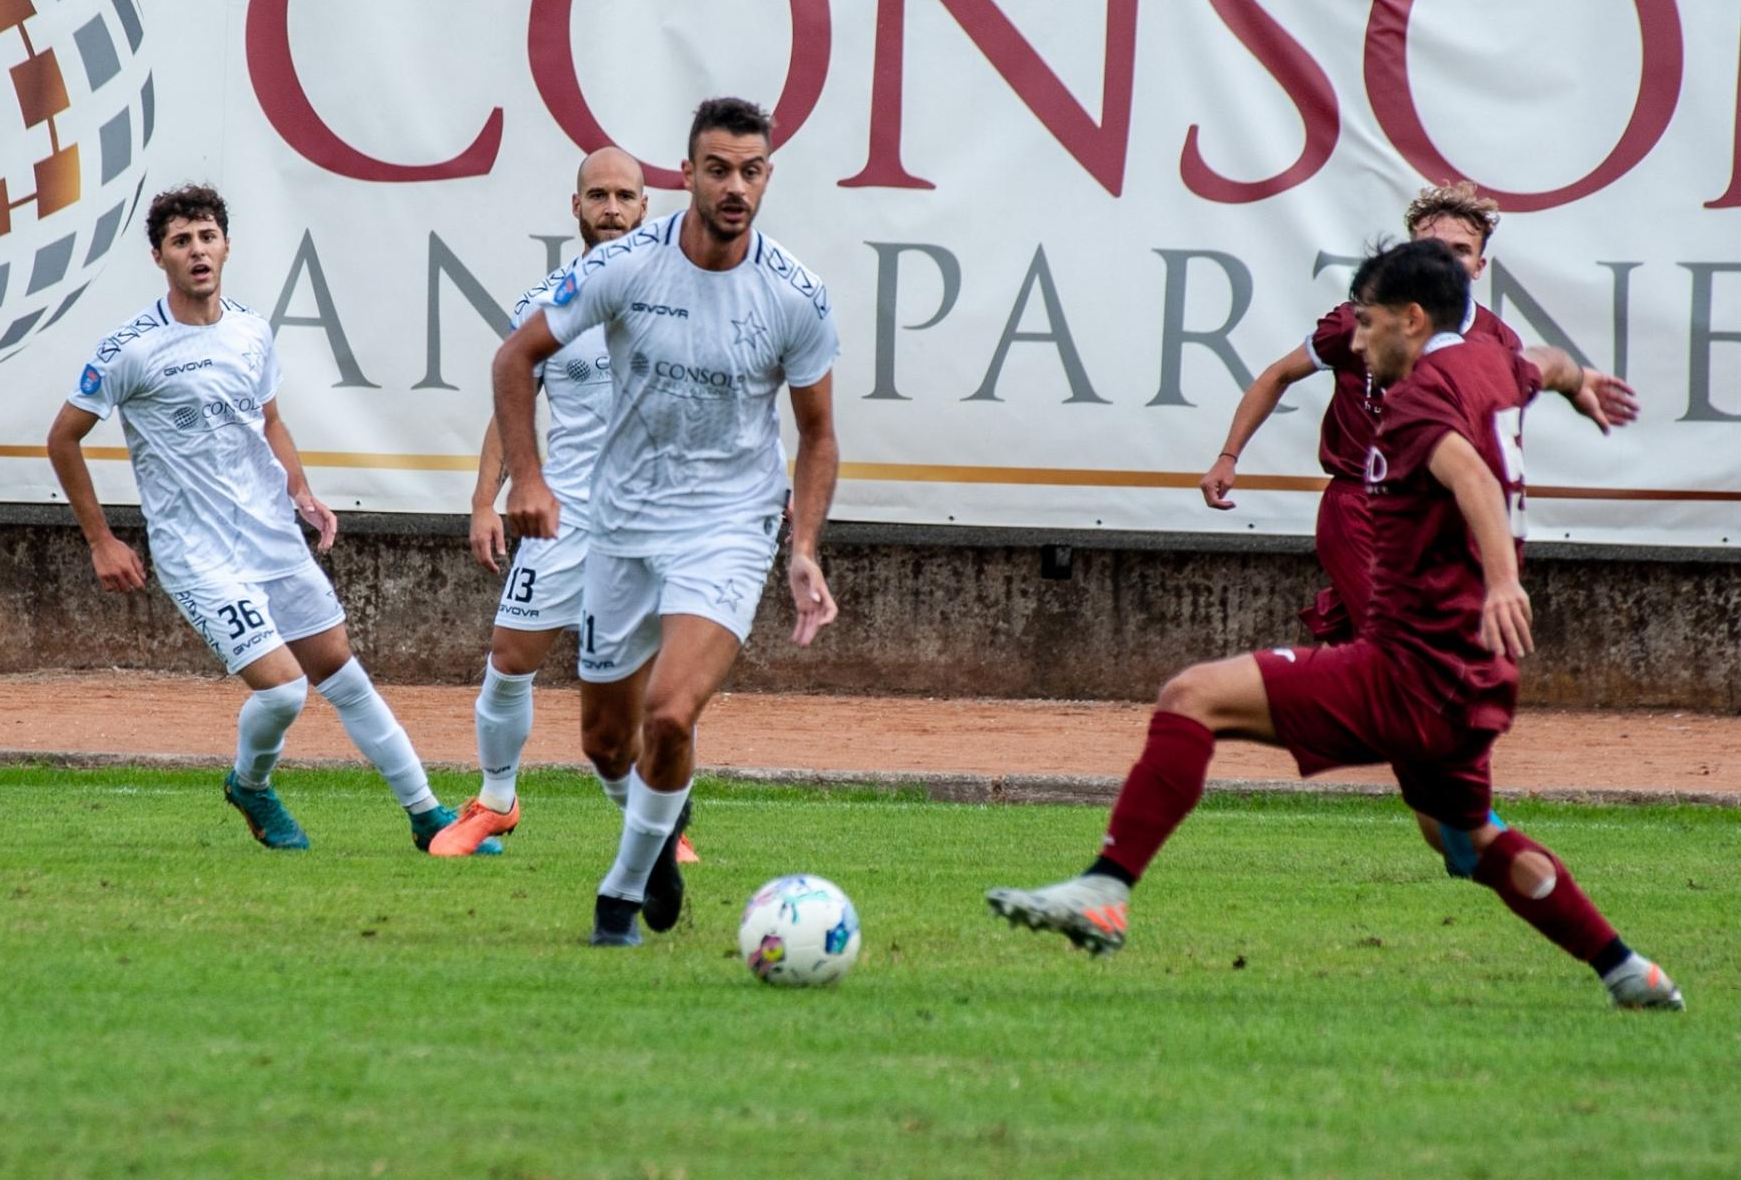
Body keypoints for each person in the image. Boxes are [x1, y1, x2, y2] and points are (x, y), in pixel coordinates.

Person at [988, 239, 1683, 1011]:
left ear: (1411, 320)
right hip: (1473, 683)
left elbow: (1470, 474)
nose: (1355, 342)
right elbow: (1547, 362)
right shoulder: (1496, 362)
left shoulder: (1421, 396)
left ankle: (1105, 888)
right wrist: (1580, 380)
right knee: (1466, 839)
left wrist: (1504, 581)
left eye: (1368, 324)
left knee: (1192, 695)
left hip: (1412, 670)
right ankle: (1627, 967)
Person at [492, 97, 841, 945]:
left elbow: (820, 434)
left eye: (750, 171)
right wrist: (527, 479)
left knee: (671, 715)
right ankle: (654, 830)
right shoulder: (628, 264)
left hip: (727, 524)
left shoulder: (796, 295)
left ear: (767, 178)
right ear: (683, 176)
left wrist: (802, 549)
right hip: (620, 526)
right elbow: (514, 357)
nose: (734, 187)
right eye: (717, 170)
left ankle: (618, 896)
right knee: (608, 744)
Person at [47, 184, 457, 851]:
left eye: (206, 236)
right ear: (159, 257)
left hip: (272, 538)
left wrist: (303, 492)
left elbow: (268, 420)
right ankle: (252, 785)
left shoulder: (250, 330)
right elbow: (62, 437)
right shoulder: (131, 348)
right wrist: (101, 540)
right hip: (198, 555)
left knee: (344, 673)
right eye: (181, 241)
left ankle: (427, 813)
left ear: (226, 246)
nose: (197, 250)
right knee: (284, 694)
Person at [1197, 182, 1633, 642]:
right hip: (1359, 504)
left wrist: (1577, 382)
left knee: (1381, 654)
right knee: (1401, 646)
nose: (1444, 260)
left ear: (1480, 265)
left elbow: (1535, 383)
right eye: (1431, 247)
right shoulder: (1362, 322)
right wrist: (1229, 456)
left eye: (1460, 250)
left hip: (1433, 518)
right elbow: (1278, 375)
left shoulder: (1493, 344)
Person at [430, 146, 681, 858]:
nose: (610, 208)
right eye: (596, 195)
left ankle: (657, 825)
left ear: (644, 206)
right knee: (510, 656)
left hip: (650, 516)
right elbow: (513, 406)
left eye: (624, 195)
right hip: (562, 513)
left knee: (646, 682)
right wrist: (486, 499)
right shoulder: (549, 303)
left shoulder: (679, 296)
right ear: (576, 207)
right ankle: (496, 801)